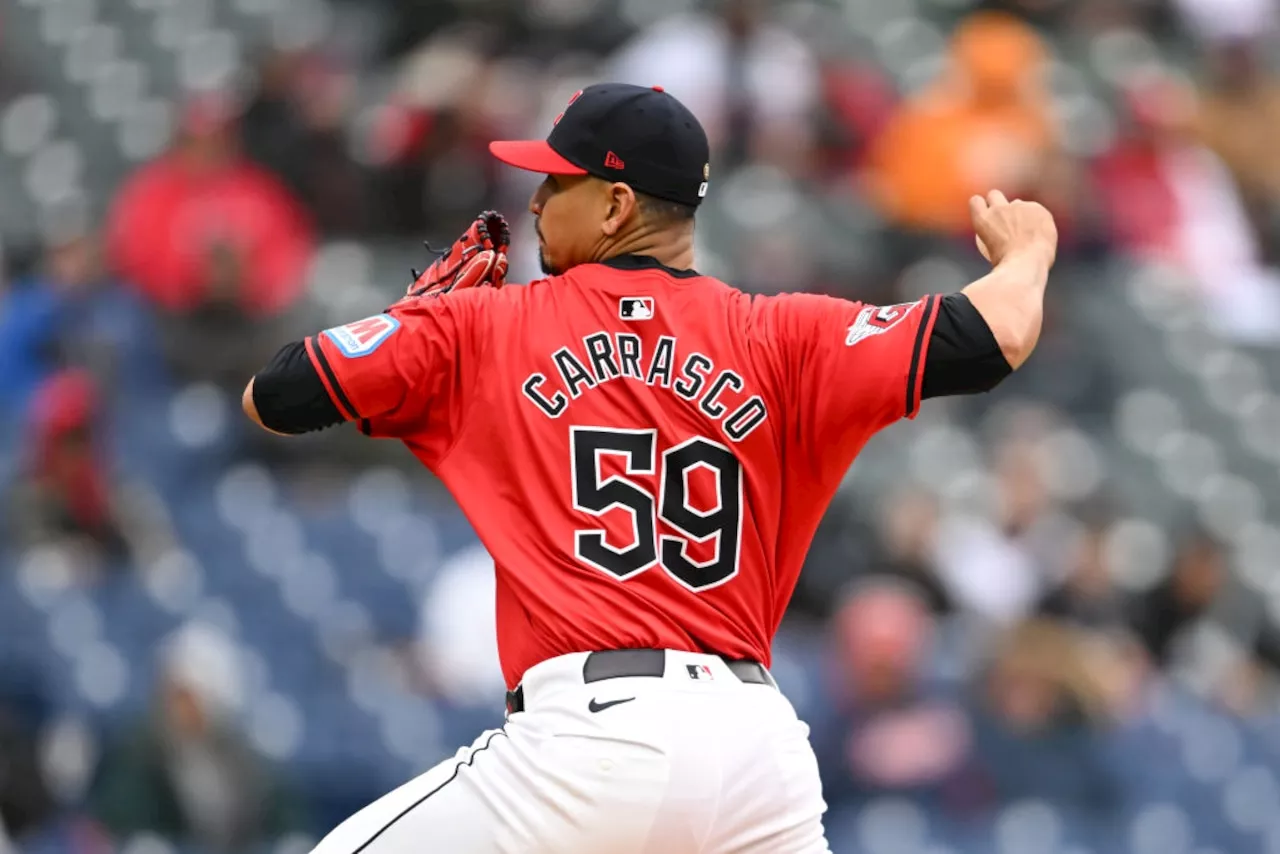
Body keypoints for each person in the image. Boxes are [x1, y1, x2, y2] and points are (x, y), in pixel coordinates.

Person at [241, 83, 1057, 852]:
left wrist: (417, 319)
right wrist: (1028, 254)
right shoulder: (786, 336)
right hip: (756, 754)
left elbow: (274, 396)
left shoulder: (483, 328)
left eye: (556, 183)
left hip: (588, 742)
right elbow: (994, 338)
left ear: (615, 204)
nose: (532, 202)